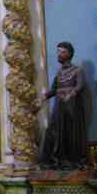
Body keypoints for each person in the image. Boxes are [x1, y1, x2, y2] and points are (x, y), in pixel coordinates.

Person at [37, 41, 87, 169]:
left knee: (70, 132)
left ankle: (71, 161)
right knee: (52, 131)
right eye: (58, 51)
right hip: (59, 106)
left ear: (70, 54)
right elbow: (54, 89)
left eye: (62, 52)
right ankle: (51, 160)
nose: (59, 54)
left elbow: (80, 85)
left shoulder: (77, 70)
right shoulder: (59, 72)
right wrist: (43, 97)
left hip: (72, 106)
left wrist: (71, 94)